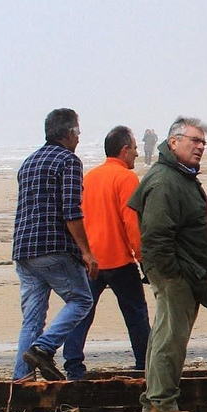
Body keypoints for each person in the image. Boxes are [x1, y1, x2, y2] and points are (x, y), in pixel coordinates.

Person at [128, 117, 207, 412]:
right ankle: (163, 405)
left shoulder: (178, 175)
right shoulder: (166, 180)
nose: (200, 147)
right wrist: (173, 274)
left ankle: (153, 402)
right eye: (194, 140)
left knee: (164, 333)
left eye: (203, 142)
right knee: (171, 336)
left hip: (179, 269)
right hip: (175, 271)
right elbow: (156, 235)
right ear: (174, 141)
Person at [12, 109, 99, 381]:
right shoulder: (68, 161)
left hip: (24, 250)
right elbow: (71, 210)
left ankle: (22, 380)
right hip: (53, 247)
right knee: (82, 299)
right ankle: (44, 348)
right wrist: (86, 252)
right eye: (78, 134)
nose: (79, 139)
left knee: (33, 320)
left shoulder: (28, 163)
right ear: (69, 133)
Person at [62, 126, 150, 379]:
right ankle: (143, 363)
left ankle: (73, 365)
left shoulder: (89, 177)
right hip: (118, 258)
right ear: (124, 151)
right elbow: (131, 221)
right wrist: (142, 255)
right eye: (134, 148)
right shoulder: (126, 178)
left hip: (90, 258)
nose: (135, 153)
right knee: (135, 313)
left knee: (83, 312)